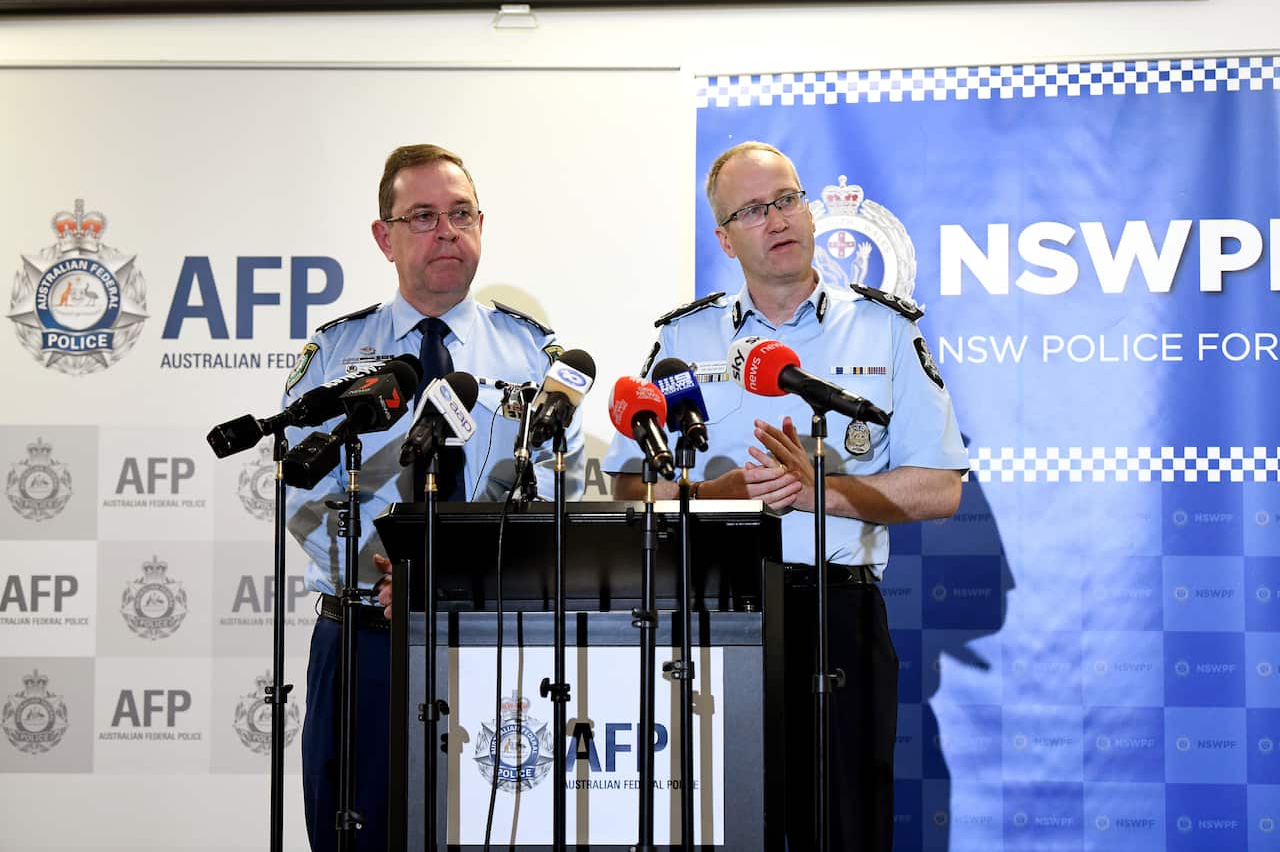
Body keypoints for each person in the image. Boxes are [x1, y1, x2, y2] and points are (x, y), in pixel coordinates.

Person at [601, 141, 968, 851]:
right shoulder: (684, 338)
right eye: (755, 208)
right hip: (714, 617)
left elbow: (941, 488)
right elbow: (628, 488)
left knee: (844, 828)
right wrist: (719, 495)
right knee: (724, 828)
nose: (778, 219)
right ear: (725, 235)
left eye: (789, 199)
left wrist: (818, 492)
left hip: (841, 614)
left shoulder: (884, 328)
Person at [283, 143, 584, 852]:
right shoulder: (335, 352)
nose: (446, 231)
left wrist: (453, 577)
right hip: (365, 641)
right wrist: (386, 572)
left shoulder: (532, 353)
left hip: (488, 639)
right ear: (384, 237)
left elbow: (545, 493)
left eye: (460, 214)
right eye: (422, 216)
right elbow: (307, 490)